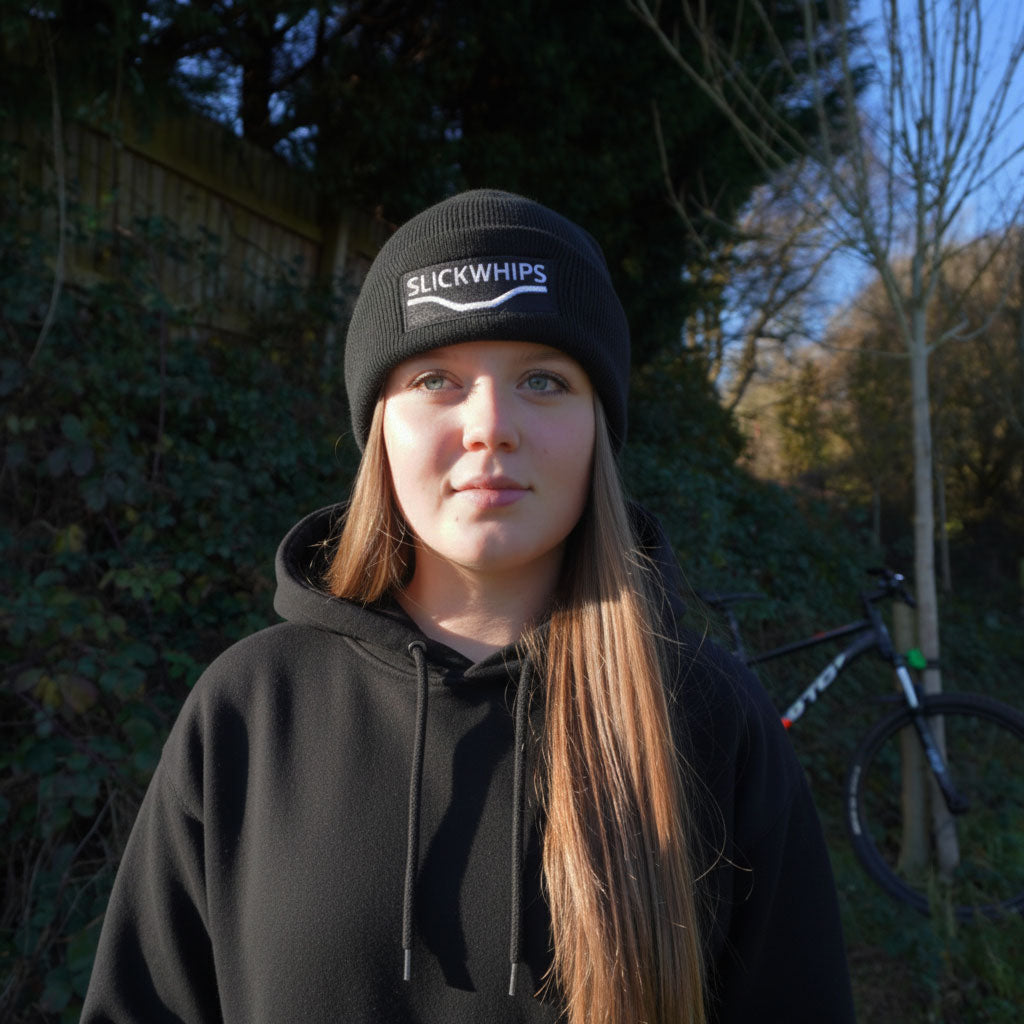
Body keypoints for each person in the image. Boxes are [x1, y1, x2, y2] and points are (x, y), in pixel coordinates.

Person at [81, 189, 855, 1024]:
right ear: (380, 427)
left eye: (544, 380)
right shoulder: (249, 708)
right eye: (435, 379)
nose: (491, 425)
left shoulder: (709, 719)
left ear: (599, 428)